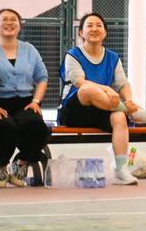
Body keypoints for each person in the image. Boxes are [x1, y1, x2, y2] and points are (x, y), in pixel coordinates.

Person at [57, 13, 139, 185]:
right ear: (81, 32)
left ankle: (121, 169)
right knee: (87, 90)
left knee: (119, 117)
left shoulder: (113, 57)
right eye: (89, 25)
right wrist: (107, 89)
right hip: (74, 112)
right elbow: (80, 82)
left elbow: (123, 83)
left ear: (105, 32)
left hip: (102, 109)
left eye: (99, 25)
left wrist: (129, 100)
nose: (94, 28)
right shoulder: (73, 55)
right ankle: (134, 113)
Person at [0, 7, 50, 188]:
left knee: (37, 126)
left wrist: (36, 101)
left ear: (20, 25)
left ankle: (21, 164)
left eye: (13, 19)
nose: (9, 23)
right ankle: (2, 169)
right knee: (5, 126)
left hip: (24, 103)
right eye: (4, 19)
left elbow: (42, 78)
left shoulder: (29, 49)